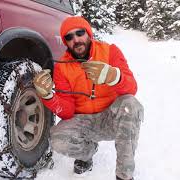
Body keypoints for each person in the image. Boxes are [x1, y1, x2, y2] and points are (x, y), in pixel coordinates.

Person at [33, 16, 143, 180]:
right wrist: (48, 96)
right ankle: (87, 155)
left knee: (130, 105)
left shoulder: (110, 51)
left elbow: (132, 88)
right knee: (57, 139)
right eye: (69, 37)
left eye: (79, 33)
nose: (76, 40)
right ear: (65, 42)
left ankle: (124, 175)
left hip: (111, 118)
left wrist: (113, 76)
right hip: (84, 121)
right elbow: (67, 111)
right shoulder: (62, 67)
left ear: (88, 34)